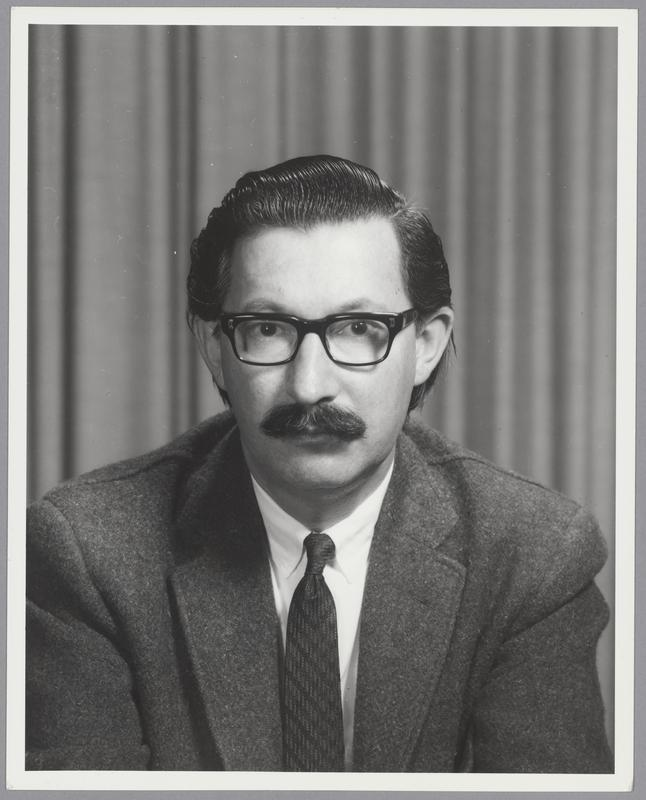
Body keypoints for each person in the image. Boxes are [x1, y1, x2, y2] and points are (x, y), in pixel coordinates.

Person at [26, 154, 613, 773]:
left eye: (359, 328)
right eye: (268, 329)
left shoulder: (533, 554)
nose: (309, 386)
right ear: (214, 349)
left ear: (427, 346)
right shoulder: (87, 551)